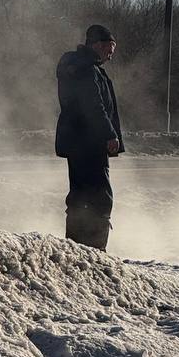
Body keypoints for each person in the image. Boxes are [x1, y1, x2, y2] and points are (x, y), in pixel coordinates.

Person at [55, 24, 124, 250]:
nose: (110, 55)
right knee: (99, 198)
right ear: (97, 45)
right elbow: (94, 106)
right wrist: (109, 135)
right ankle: (95, 251)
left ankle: (75, 247)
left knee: (79, 195)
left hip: (76, 142)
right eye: (109, 49)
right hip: (90, 142)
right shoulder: (87, 70)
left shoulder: (76, 66)